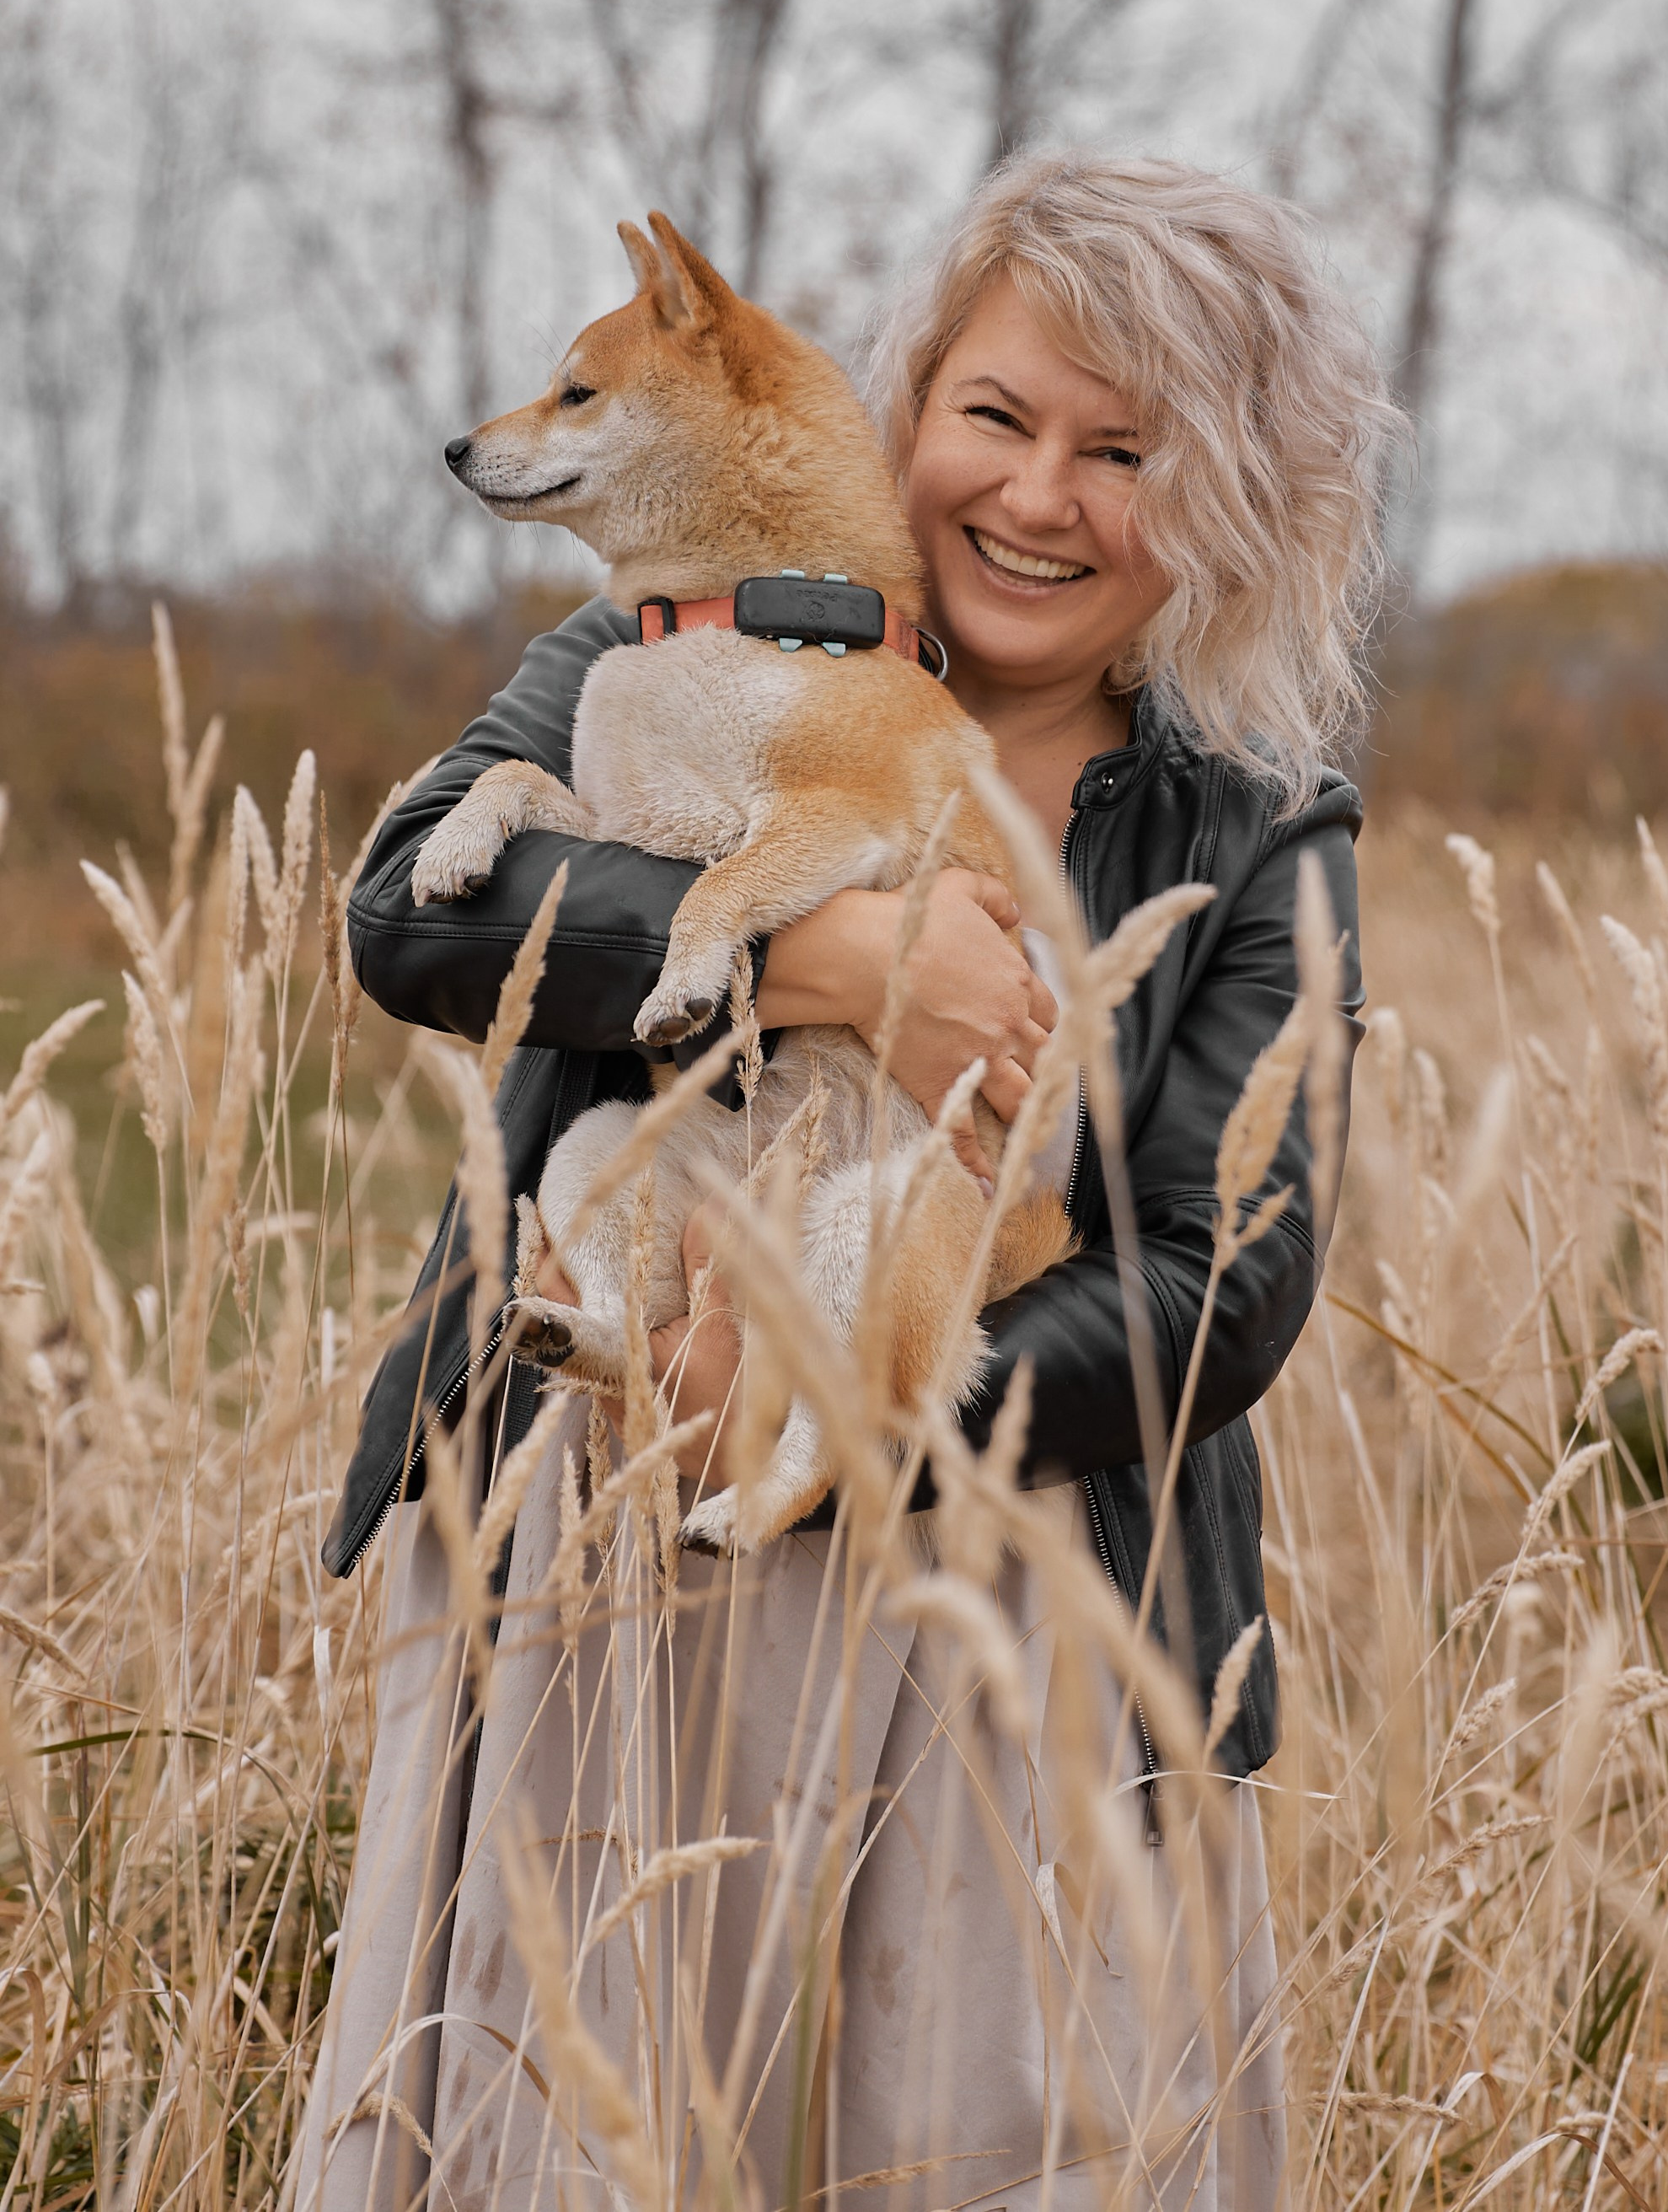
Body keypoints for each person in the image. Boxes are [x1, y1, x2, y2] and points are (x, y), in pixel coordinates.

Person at [299, 152, 1396, 2210]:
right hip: (610, 1559)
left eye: (1124, 451)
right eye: (993, 416)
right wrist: (827, 955)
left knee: (963, 2149)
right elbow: (412, 913)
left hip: (1015, 1616)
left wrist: (841, 1403)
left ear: (1233, 505)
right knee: (571, 2131)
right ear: (907, 410)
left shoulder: (1254, 838)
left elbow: (1218, 1285)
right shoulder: (681, 640)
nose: (1036, 494)